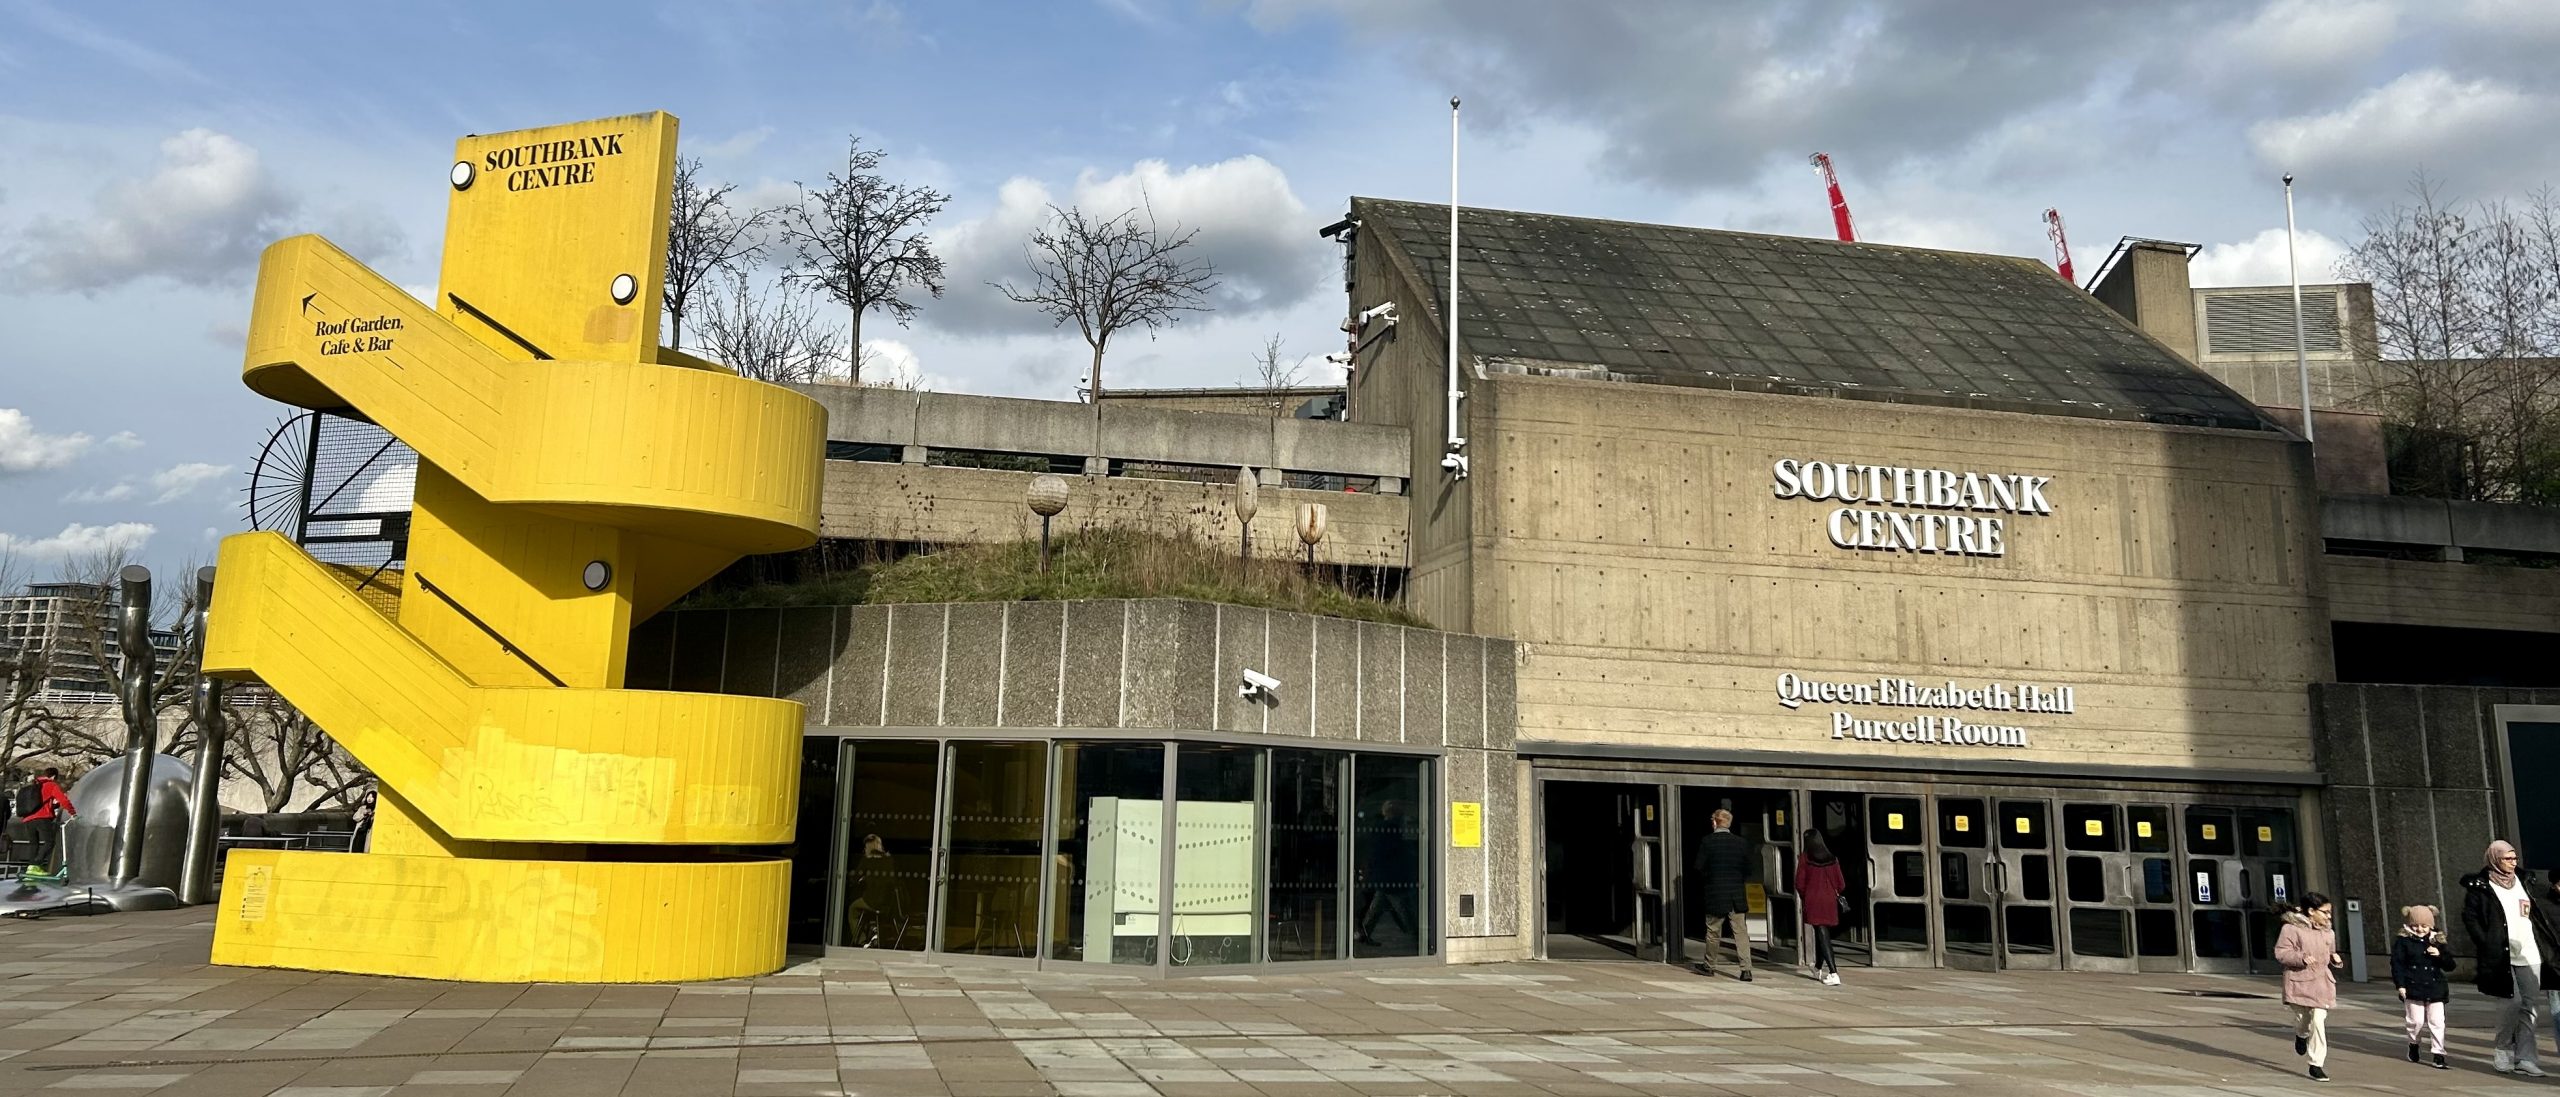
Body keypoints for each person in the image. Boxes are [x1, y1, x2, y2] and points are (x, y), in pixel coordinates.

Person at [2461, 839, 2548, 1075]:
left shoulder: (2525, 881)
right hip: (2501, 954)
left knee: (2531, 1006)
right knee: (2512, 1003)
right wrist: (2486, 943)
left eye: (2514, 858)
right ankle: (2502, 1050)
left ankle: (2526, 1057)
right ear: (2494, 859)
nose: (2512, 863)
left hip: (2529, 952)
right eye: (2507, 858)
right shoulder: (2480, 886)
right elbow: (2471, 918)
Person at [2274, 891, 2341, 1083]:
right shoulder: (2291, 929)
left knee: (2319, 1020)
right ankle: (2300, 1034)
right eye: (2325, 912)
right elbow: (2281, 953)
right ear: (2311, 911)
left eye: (2330, 912)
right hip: (2299, 982)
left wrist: (2335, 959)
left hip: (2321, 983)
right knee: (2304, 1020)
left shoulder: (2328, 932)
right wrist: (2301, 958)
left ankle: (2316, 1064)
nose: (2328, 916)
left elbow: (2330, 952)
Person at [2391, 903, 2455, 1069]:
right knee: (2416, 1021)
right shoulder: (2403, 941)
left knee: (2437, 1021)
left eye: (2424, 925)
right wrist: (2401, 985)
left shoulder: (2438, 940)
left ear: (2430, 925)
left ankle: (2438, 1054)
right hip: (2413, 986)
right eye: (2416, 925)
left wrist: (2439, 955)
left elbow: (2450, 965)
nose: (2420, 929)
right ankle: (2414, 1043)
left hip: (2435, 987)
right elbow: (2397, 964)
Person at [1692, 807, 1753, 981]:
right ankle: (1746, 969)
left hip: (1716, 892)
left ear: (1714, 822)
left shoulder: (1708, 842)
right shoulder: (1741, 843)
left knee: (1713, 932)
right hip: (1736, 894)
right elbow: (1748, 868)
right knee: (1740, 932)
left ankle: (1709, 966)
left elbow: (1699, 867)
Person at [1796, 828, 1845, 986]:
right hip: (1829, 899)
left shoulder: (1805, 858)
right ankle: (1817, 968)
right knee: (1822, 932)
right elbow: (1841, 883)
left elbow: (1799, 883)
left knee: (1822, 932)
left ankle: (1833, 972)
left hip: (1813, 898)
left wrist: (1806, 895)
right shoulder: (1832, 858)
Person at [16, 768, 74, 875]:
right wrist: (73, 812)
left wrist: (54, 805)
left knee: (34, 844)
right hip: (42, 818)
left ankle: (31, 867)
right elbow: (63, 800)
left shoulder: (34, 785)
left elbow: (41, 802)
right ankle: (36, 865)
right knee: (49, 842)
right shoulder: (51, 785)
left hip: (27, 819)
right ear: (53, 777)